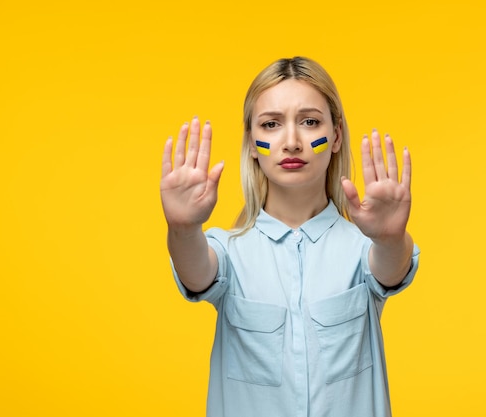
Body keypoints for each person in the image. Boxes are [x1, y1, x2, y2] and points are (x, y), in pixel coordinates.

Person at [160, 56, 420, 417]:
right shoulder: (229, 253)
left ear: (336, 137)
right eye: (271, 124)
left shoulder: (363, 247)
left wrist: (391, 238)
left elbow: (390, 268)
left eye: (310, 121)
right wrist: (184, 229)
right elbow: (196, 269)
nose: (292, 142)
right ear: (253, 143)